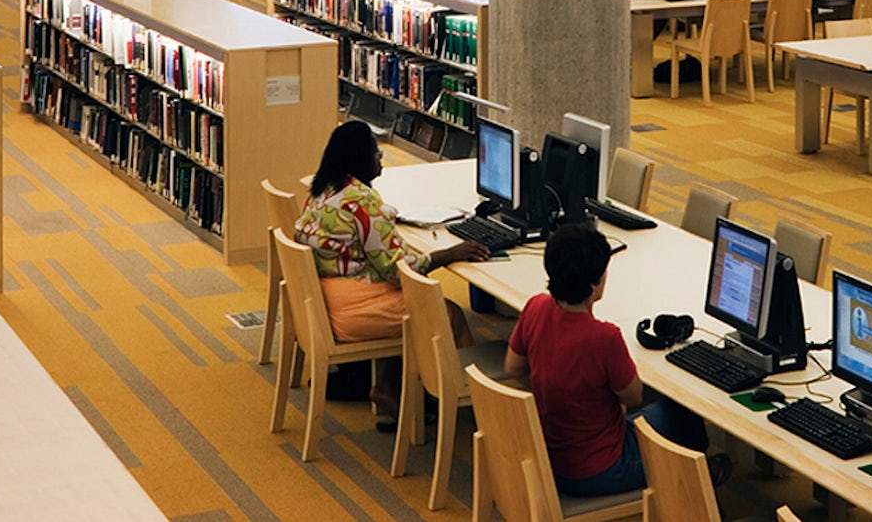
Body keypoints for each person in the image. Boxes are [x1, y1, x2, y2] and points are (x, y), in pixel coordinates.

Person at [506, 224, 722, 495]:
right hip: (601, 468)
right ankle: (695, 482)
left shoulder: (536, 306)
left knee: (662, 417)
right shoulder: (604, 337)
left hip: (550, 456)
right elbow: (633, 396)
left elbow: (513, 367)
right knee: (683, 415)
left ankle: (698, 475)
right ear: (594, 285)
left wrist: (555, 390)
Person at [295, 120, 487, 414]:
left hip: (328, 297)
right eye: (375, 153)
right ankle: (465, 399)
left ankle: (391, 386)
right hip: (350, 312)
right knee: (446, 312)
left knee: (404, 299)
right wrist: (450, 254)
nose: (380, 158)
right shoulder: (361, 202)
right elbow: (400, 271)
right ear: (360, 158)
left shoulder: (323, 188)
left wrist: (386, 230)